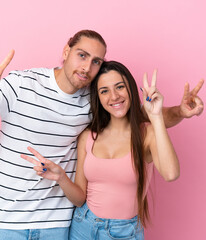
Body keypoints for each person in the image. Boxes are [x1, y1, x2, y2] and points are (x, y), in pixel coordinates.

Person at [0, 30, 204, 240]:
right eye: (82, 55)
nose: (87, 67)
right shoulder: (19, 85)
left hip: (58, 225)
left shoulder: (94, 102)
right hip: (4, 222)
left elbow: (140, 117)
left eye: (96, 62)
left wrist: (180, 111)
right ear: (66, 51)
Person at [21, 61, 181, 240]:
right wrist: (61, 177)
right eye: (104, 91)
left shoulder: (147, 133)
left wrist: (156, 115)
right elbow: (80, 198)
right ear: (98, 97)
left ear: (131, 90)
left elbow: (171, 174)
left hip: (124, 232)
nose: (114, 96)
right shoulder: (88, 136)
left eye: (119, 87)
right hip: (83, 225)